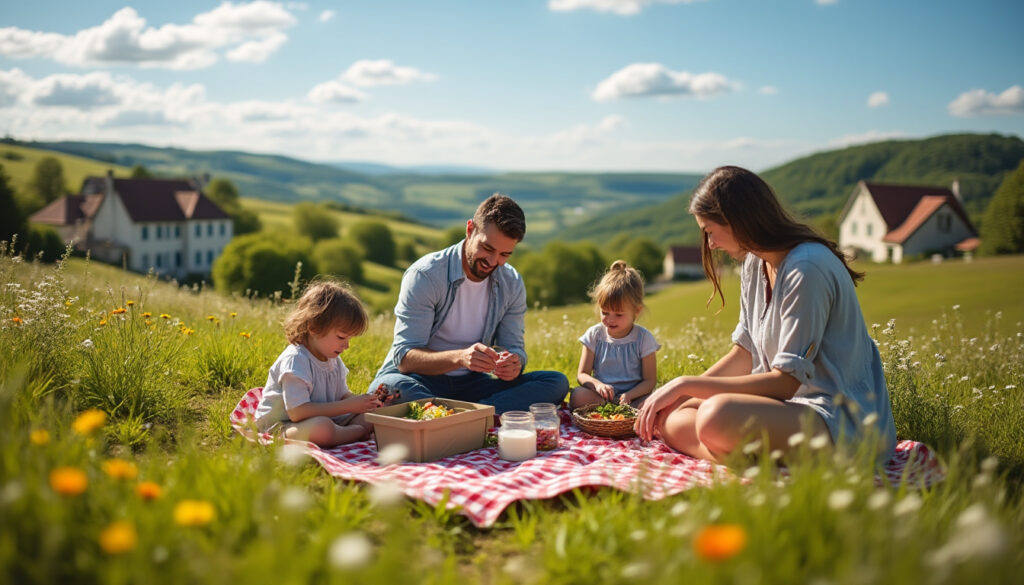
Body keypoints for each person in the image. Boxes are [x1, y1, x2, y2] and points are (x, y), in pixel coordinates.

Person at [635, 166, 897, 463]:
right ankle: (752, 458)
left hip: (840, 422)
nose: (710, 244)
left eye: (710, 231)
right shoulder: (754, 263)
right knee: (674, 418)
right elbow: (744, 354)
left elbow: (785, 383)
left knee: (714, 415)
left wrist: (685, 384)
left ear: (738, 220)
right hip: (783, 412)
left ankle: (742, 456)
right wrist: (676, 398)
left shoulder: (807, 268)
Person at [368, 193, 569, 413]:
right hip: (418, 380)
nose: (493, 262)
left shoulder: (511, 282)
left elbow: (513, 348)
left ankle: (451, 417)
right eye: (488, 249)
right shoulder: (425, 275)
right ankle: (479, 416)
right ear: (470, 229)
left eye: (505, 255)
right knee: (393, 388)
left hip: (473, 385)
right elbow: (405, 358)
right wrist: (460, 358)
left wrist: (514, 364)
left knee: (555, 382)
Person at [254, 280, 390, 447]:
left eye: (349, 339)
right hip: (283, 425)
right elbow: (297, 412)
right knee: (322, 428)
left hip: (322, 418)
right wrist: (348, 406)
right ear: (314, 327)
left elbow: (341, 396)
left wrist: (368, 402)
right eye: (341, 337)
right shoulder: (296, 360)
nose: (346, 345)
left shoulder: (333, 359)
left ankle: (348, 432)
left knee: (375, 413)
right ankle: (357, 432)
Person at [569, 260, 660, 411]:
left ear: (636, 311)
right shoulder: (595, 334)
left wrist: (629, 395)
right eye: (604, 312)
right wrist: (598, 385)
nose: (610, 319)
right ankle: (612, 409)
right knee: (577, 395)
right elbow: (582, 374)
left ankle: (628, 410)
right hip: (601, 397)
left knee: (655, 399)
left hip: (634, 398)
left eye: (618, 314)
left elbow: (649, 381)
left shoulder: (644, 338)